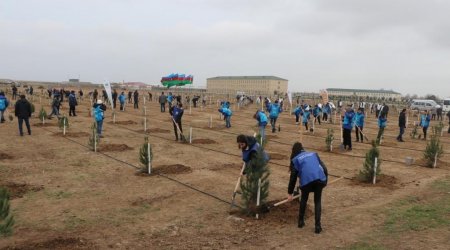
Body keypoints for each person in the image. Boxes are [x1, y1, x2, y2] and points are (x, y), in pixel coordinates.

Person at [287, 142, 327, 234]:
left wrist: (290, 193)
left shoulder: (295, 159)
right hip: (319, 179)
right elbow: (324, 168)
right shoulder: (313, 154)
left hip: (306, 182)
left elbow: (293, 177)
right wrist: (325, 180)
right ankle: (318, 226)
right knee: (317, 201)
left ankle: (300, 222)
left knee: (304, 199)